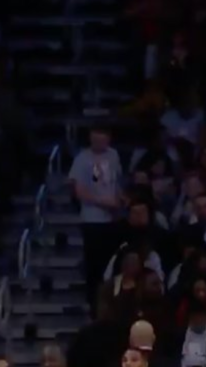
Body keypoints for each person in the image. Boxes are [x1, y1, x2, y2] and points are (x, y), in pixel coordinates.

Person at [69, 126, 123, 314]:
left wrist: (117, 203)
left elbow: (116, 182)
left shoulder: (114, 155)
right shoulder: (82, 159)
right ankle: (94, 305)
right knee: (94, 265)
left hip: (112, 220)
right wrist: (104, 202)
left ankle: (110, 303)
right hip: (92, 219)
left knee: (112, 264)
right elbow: (79, 190)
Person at [161, 300, 206, 367]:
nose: (198, 321)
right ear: (190, 317)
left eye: (201, 317)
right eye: (195, 318)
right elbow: (168, 359)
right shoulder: (177, 336)